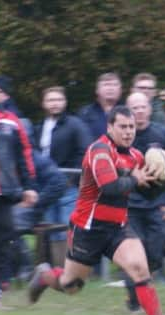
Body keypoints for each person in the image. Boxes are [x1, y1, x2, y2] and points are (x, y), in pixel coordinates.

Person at [27, 106, 165, 315]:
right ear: (110, 127)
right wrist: (134, 178)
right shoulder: (99, 150)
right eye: (123, 126)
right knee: (71, 286)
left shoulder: (135, 156)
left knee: (139, 270)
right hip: (88, 229)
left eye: (131, 127)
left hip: (118, 227)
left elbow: (148, 194)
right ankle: (44, 276)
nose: (128, 132)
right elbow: (109, 187)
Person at [123, 92, 165, 312]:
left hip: (156, 204)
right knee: (135, 254)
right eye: (135, 107)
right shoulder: (120, 136)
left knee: (154, 253)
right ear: (127, 110)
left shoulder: (161, 134)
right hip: (129, 206)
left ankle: (140, 289)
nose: (139, 111)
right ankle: (134, 301)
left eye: (143, 107)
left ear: (149, 109)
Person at [0, 73, 38, 309]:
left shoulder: (11, 121)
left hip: (3, 195)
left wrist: (28, 186)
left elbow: (24, 155)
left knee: (1, 244)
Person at [35, 86, 93, 235]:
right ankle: (53, 259)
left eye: (59, 99)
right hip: (46, 187)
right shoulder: (40, 127)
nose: (55, 103)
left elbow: (85, 151)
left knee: (69, 230)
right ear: (43, 103)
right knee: (49, 231)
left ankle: (69, 259)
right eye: (51, 100)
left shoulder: (75, 124)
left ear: (65, 102)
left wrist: (71, 179)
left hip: (69, 188)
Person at [11, 150, 68, 281]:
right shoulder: (8, 155)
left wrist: (37, 202)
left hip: (32, 207)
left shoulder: (36, 160)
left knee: (8, 224)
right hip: (13, 203)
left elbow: (60, 182)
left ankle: (26, 267)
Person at [78, 72, 123, 139]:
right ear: (97, 90)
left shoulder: (128, 112)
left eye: (114, 85)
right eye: (106, 85)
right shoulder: (85, 114)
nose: (110, 88)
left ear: (120, 90)